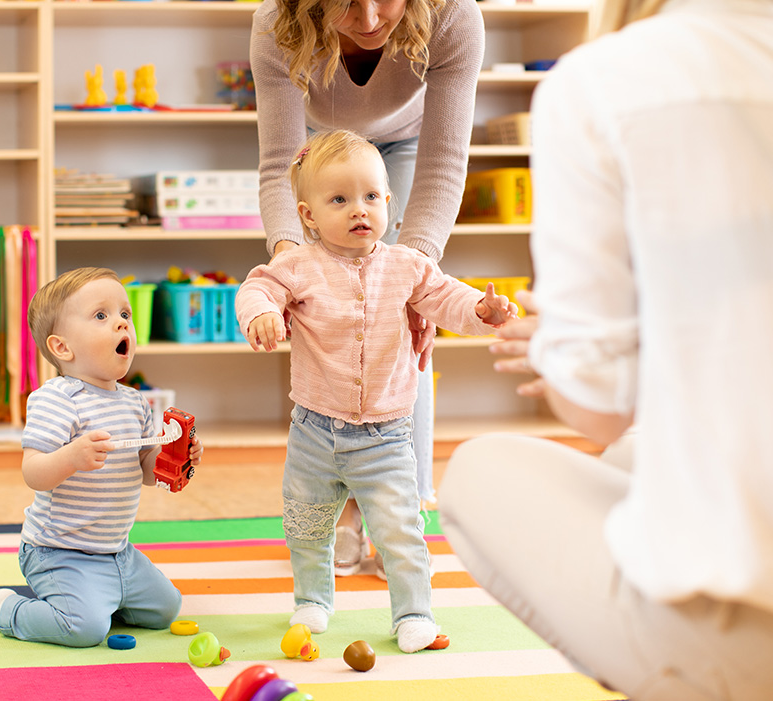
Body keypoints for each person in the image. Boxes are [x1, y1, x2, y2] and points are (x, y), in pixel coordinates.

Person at [437, 0, 773, 698]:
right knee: (629, 459)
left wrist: (568, 344)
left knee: (477, 471)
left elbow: (598, 408)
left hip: (746, 626)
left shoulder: (605, 82)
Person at [236, 130, 516, 652]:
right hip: (315, 431)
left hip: (386, 435)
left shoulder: (407, 266)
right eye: (339, 199)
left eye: (370, 197)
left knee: (400, 531)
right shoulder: (297, 266)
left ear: (389, 203)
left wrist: (481, 311)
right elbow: (257, 287)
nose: (358, 210)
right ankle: (313, 600)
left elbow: (446, 298)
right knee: (305, 525)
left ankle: (414, 613)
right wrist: (263, 313)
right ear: (308, 215)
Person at [250, 0, 485, 577]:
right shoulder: (273, 22)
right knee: (333, 315)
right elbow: (281, 160)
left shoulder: (455, 16)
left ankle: (399, 514)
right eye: (347, 2)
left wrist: (414, 277)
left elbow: (444, 161)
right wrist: (291, 260)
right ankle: (338, 512)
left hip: (407, 148)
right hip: (316, 148)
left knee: (403, 322)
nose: (372, 16)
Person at [0, 267, 204, 648]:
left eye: (125, 314)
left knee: (166, 610)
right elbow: (34, 473)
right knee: (84, 630)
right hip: (58, 551)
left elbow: (143, 469)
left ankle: (100, 597)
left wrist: (174, 457)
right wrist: (72, 457)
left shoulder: (135, 401)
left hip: (116, 550)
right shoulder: (56, 399)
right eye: (102, 316)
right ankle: (6, 610)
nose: (122, 324)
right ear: (62, 348)